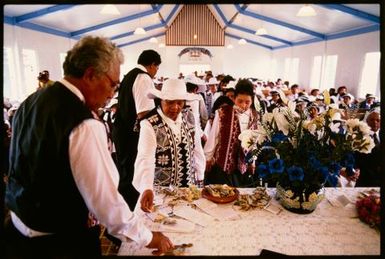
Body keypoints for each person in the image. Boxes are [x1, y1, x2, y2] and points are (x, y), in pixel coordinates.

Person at [4, 36, 173, 258]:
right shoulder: (83, 122)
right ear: (91, 74)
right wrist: (148, 237)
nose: (113, 94)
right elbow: (107, 203)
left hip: (16, 233)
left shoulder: (32, 101)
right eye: (113, 84)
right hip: (59, 243)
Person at [132, 79, 206, 213]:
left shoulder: (189, 116)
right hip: (160, 193)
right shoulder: (150, 124)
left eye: (179, 102)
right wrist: (147, 188)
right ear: (161, 100)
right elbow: (145, 158)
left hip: (188, 189)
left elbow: (197, 148)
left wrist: (200, 176)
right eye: (170, 102)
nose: (175, 107)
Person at [112, 49, 161, 210]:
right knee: (132, 175)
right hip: (131, 135)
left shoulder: (130, 75)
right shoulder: (143, 77)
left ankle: (124, 213)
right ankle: (130, 214)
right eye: (157, 68)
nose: (156, 72)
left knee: (126, 173)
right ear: (153, 65)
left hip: (122, 131)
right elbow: (143, 112)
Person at [204, 79, 259, 187]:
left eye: (247, 102)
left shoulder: (254, 116)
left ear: (252, 100)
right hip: (223, 164)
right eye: (240, 101)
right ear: (234, 98)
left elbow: (254, 141)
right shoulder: (222, 112)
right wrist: (208, 159)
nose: (244, 105)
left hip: (242, 165)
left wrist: (253, 162)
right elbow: (213, 137)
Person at [355, 110, 381, 187]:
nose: (375, 122)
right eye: (372, 120)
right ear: (367, 122)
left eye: (378, 120)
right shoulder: (359, 137)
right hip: (365, 179)